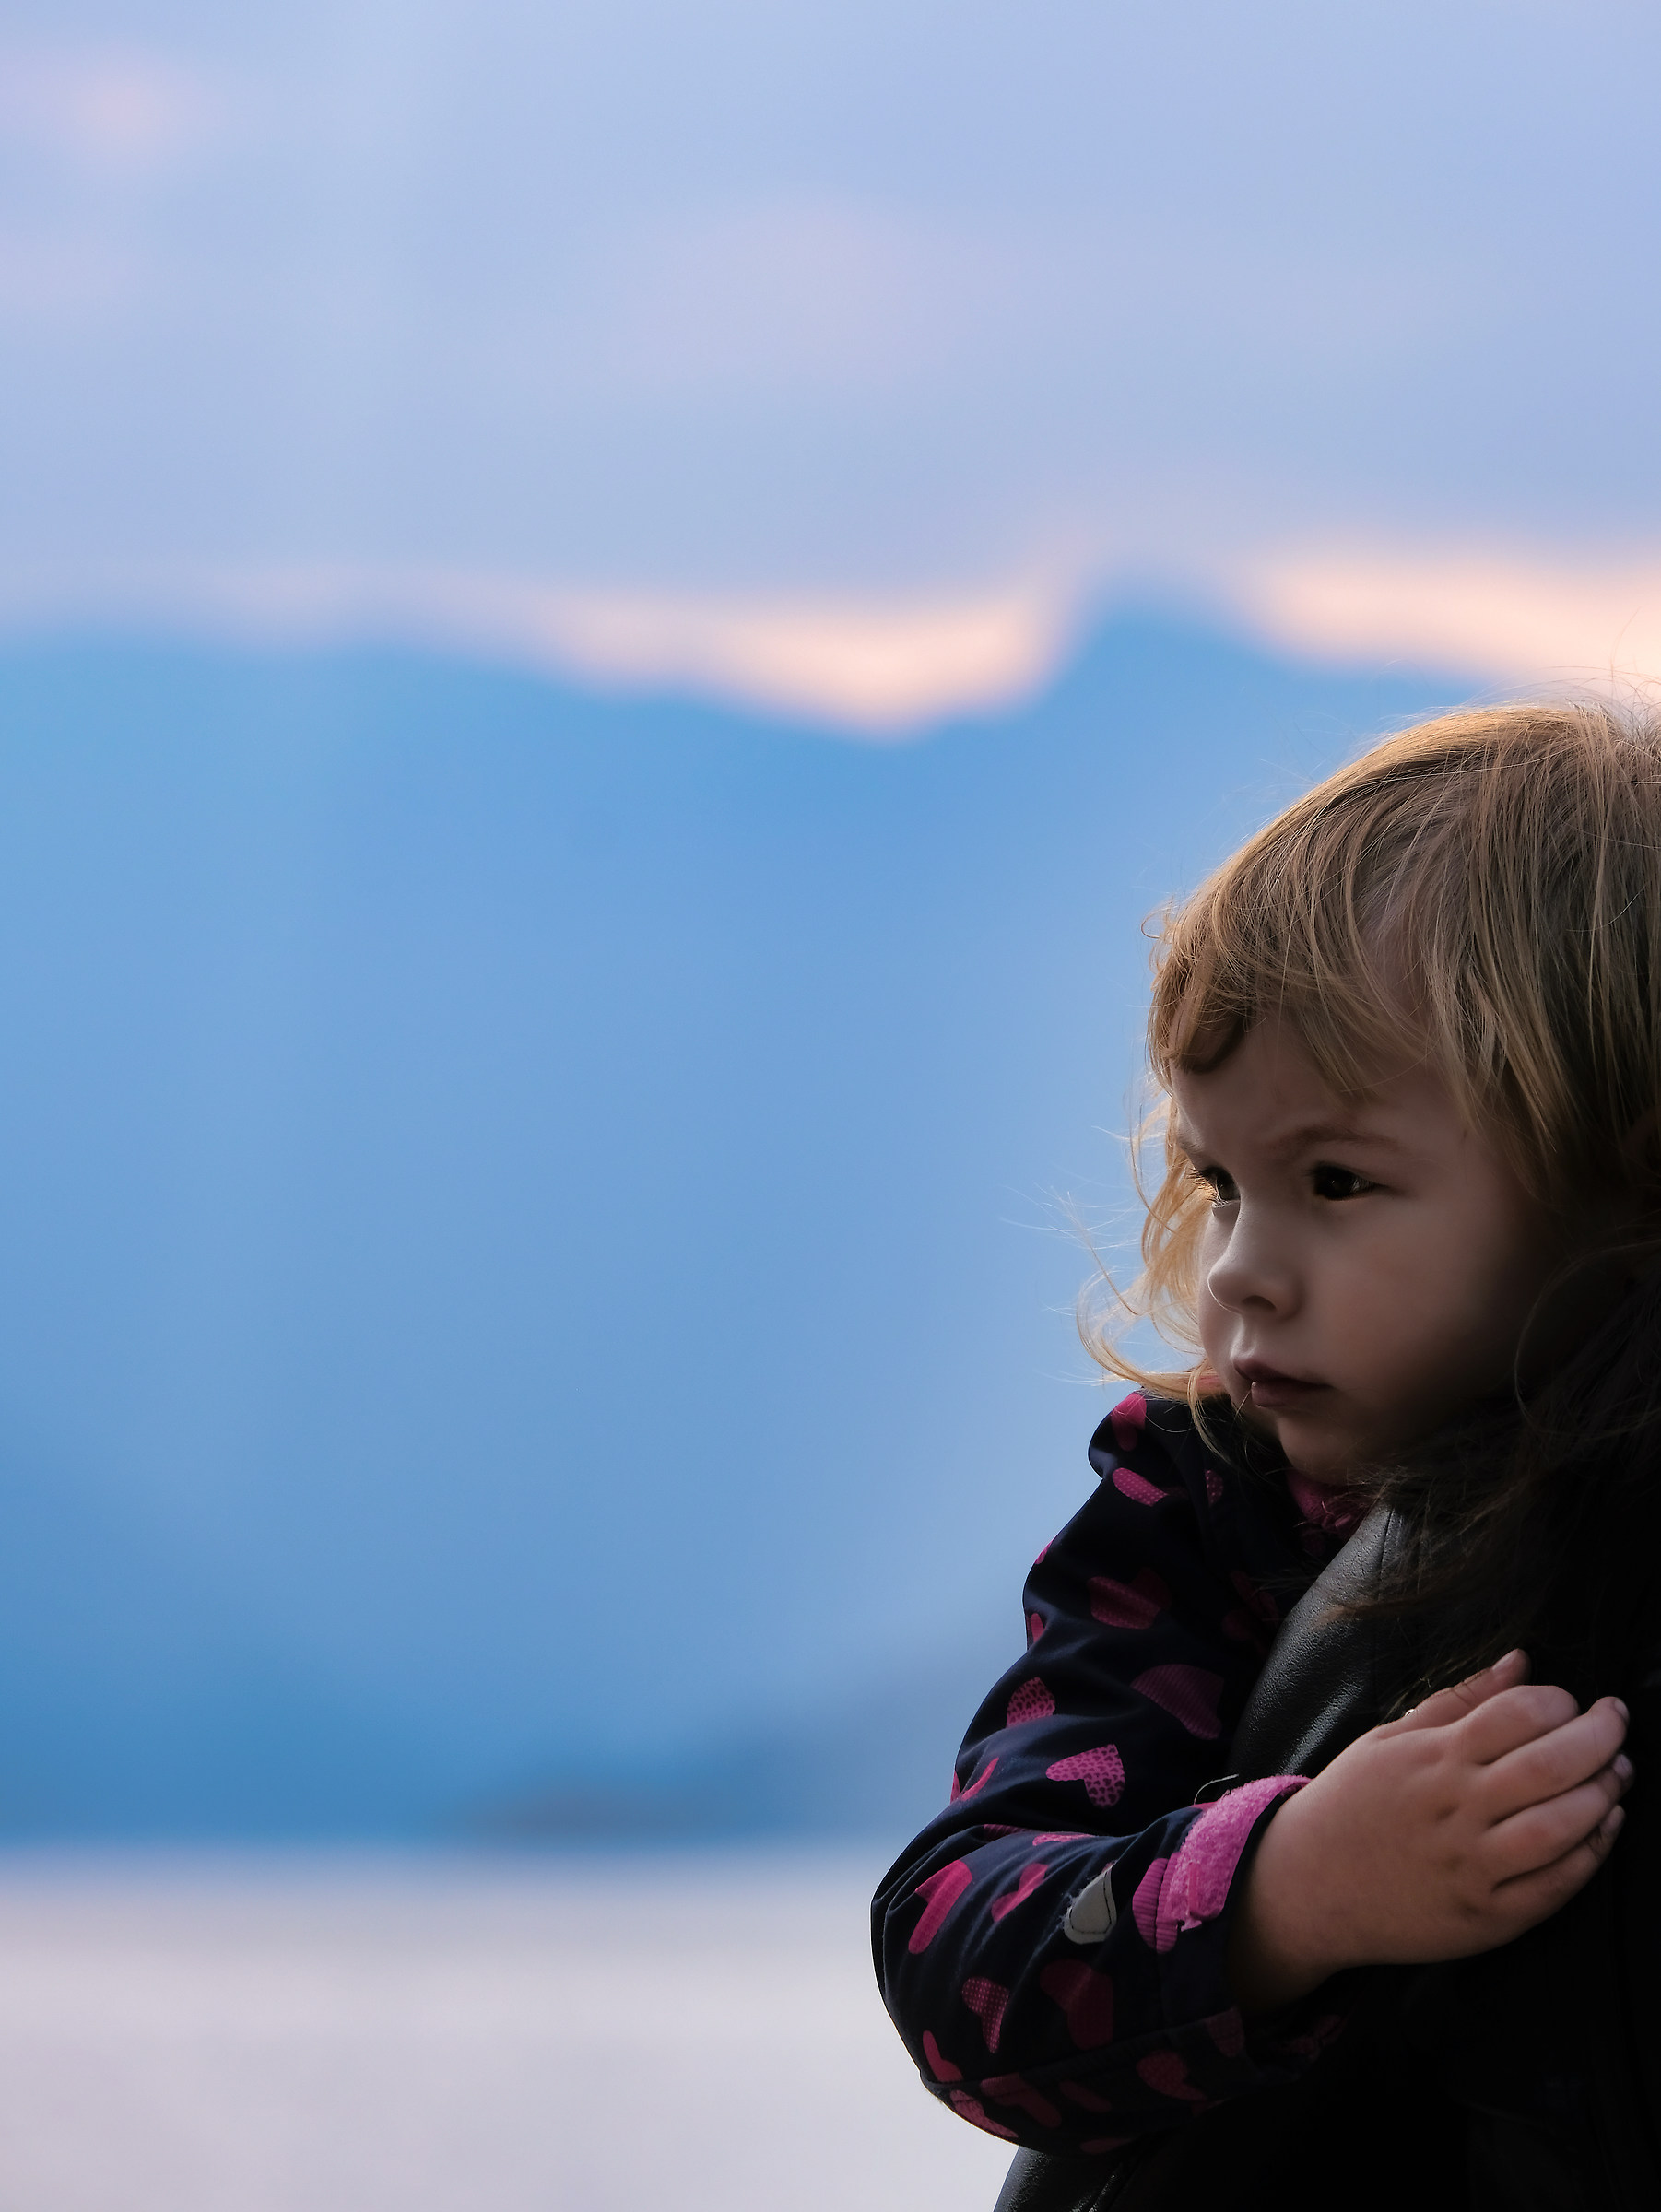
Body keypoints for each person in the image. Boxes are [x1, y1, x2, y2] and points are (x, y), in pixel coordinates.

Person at [871, 700, 1661, 2206]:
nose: (1238, 1269)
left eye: (1337, 1180)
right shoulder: (1198, 1513)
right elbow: (958, 1956)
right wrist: (1294, 1890)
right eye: (1224, 1181)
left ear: (1618, 1182)